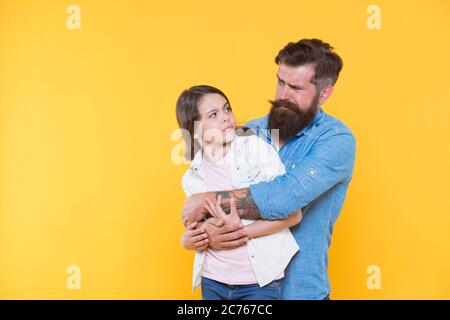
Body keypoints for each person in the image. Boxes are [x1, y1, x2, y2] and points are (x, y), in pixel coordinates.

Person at [182, 39, 357, 300]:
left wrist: (207, 201)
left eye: (295, 87)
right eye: (280, 82)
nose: (283, 95)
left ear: (324, 94)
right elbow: (204, 187)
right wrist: (203, 234)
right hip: (235, 290)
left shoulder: (336, 140)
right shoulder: (246, 132)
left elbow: (283, 198)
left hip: (301, 292)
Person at [176, 85, 302, 300]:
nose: (226, 118)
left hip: (259, 283)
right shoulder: (192, 178)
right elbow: (199, 227)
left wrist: (241, 233)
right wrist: (187, 240)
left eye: (227, 109)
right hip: (212, 280)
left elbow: (293, 214)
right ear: (195, 129)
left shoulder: (257, 150)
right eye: (213, 115)